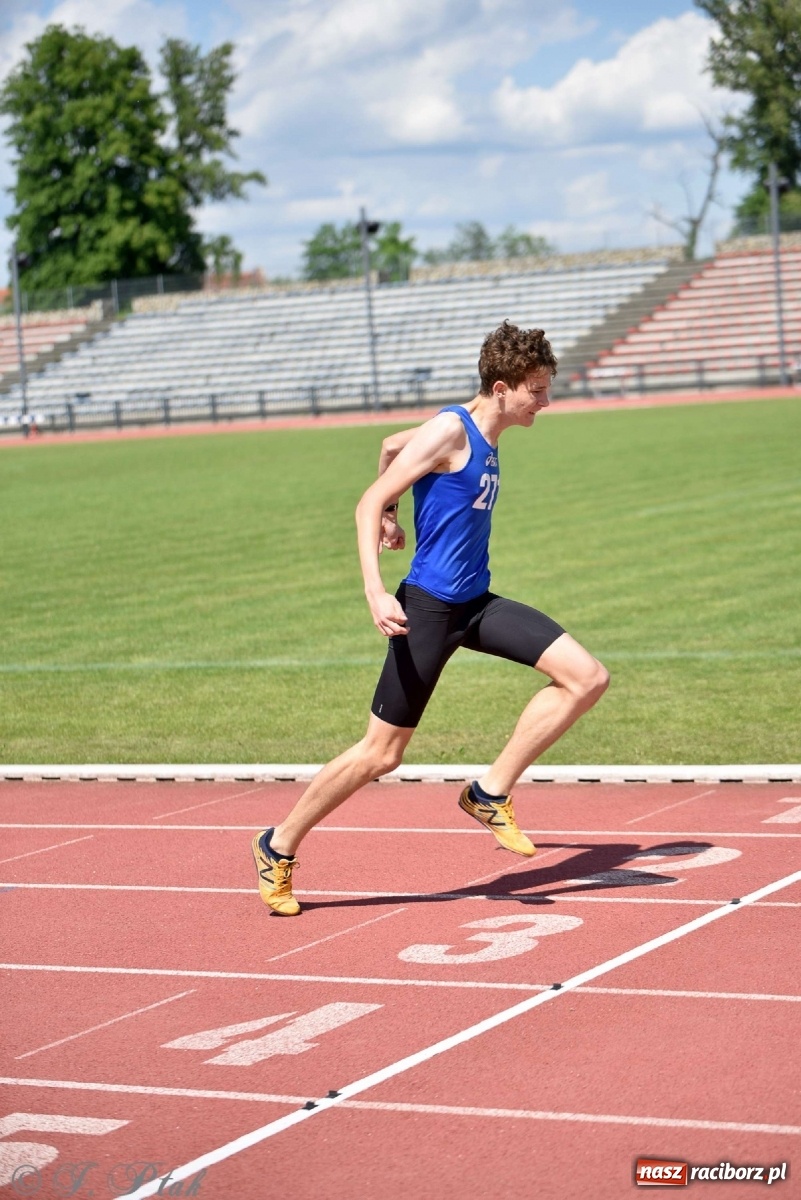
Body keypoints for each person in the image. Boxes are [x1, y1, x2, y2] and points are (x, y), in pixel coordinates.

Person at [252, 321, 609, 915]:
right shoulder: (452, 430)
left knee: (587, 677)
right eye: (537, 390)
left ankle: (488, 791)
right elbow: (365, 500)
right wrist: (375, 588)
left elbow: (394, 446)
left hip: (475, 603)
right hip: (427, 609)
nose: (545, 401)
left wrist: (396, 510)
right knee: (381, 754)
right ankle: (278, 844)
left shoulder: (475, 431)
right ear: (502, 387)